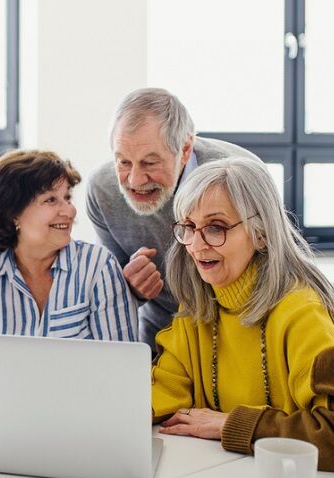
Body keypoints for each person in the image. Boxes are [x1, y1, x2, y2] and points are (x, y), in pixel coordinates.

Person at [151, 157, 334, 478]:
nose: (195, 245)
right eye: (188, 227)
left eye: (215, 227)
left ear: (261, 233)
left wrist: (230, 424)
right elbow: (166, 394)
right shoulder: (199, 307)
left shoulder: (303, 313)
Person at [86, 87, 258, 348]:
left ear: (185, 149)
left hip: (239, 329)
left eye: (150, 163)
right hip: (162, 333)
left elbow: (276, 269)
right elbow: (113, 295)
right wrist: (129, 287)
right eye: (123, 162)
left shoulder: (239, 177)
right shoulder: (102, 191)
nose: (135, 180)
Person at [0, 150, 137, 341]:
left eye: (67, 198)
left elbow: (119, 364)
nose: (70, 211)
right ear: (12, 212)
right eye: (50, 200)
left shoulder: (98, 267)